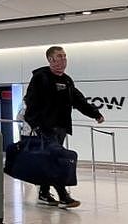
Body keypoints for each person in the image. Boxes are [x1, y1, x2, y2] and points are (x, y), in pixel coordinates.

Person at [24, 46, 105, 209]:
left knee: (49, 160)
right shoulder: (41, 77)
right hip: (44, 127)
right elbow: (30, 102)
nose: (63, 60)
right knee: (56, 160)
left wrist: (95, 114)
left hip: (61, 127)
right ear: (50, 60)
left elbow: (78, 100)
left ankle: (44, 193)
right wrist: (36, 125)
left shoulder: (67, 80)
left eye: (65, 56)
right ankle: (63, 196)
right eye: (59, 56)